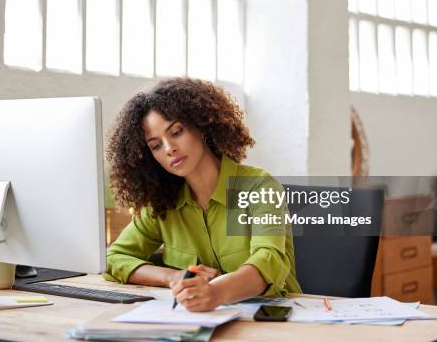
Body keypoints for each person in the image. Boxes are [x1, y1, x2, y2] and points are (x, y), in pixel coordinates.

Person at [104, 78, 301, 311]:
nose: (169, 149)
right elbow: (115, 258)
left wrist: (215, 292)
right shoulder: (162, 203)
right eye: (156, 145)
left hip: (274, 317)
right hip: (199, 319)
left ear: (201, 125)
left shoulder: (259, 187)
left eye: (176, 132)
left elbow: (269, 261)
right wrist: (172, 277)